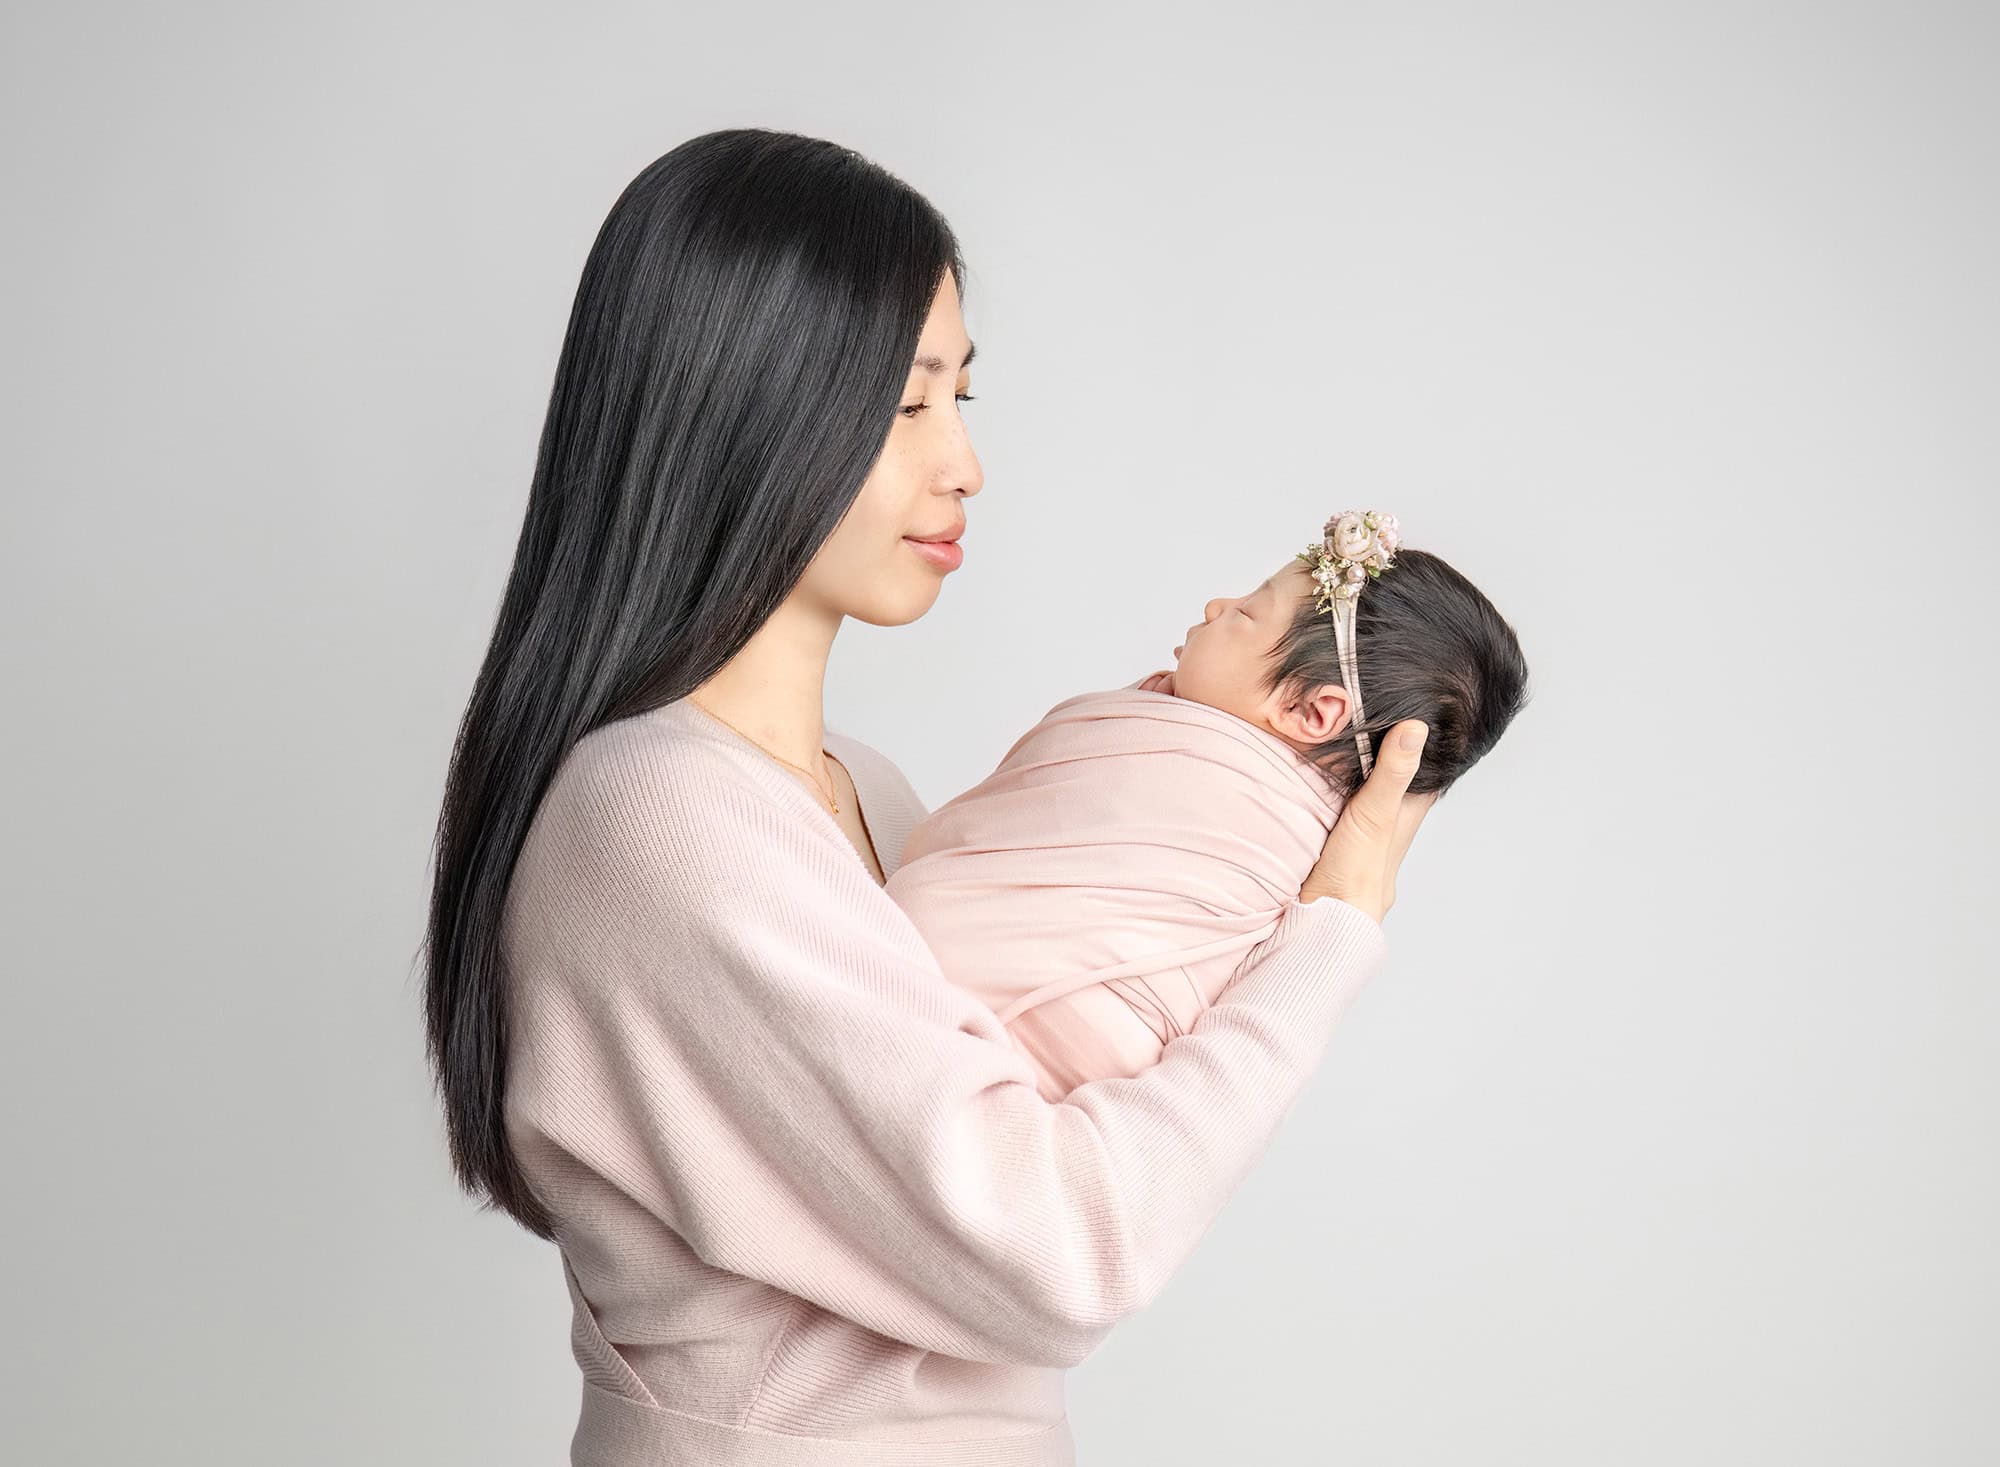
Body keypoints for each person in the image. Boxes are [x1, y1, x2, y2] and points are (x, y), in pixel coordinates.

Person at [423, 127, 1437, 1465]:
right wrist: (1330, 933)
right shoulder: (662, 816)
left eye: (965, 399)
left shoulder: (871, 796)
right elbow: (1059, 1250)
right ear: (750, 409)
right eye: (909, 406)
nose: (963, 465)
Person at [887, 524, 1529, 1100]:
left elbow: (956, 844)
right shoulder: (1286, 830)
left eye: (1248, 611)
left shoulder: (1237, 809)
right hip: (1090, 1085)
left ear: (1311, 712)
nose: (1215, 607)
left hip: (994, 1024)